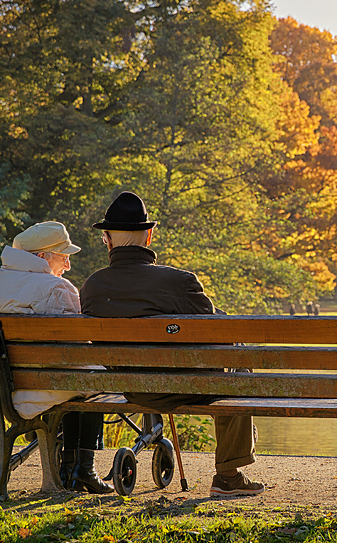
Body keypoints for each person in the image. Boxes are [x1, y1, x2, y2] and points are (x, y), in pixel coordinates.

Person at [80, 191, 263, 498]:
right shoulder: (180, 282)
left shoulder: (92, 287)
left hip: (132, 388)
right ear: (149, 237)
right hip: (184, 386)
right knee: (237, 360)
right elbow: (221, 335)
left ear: (107, 241)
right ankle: (228, 476)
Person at [0, 221, 112, 494]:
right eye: (64, 257)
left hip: (3, 387)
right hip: (43, 387)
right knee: (96, 376)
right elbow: (77, 351)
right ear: (41, 257)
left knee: (79, 378)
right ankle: (82, 469)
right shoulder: (56, 287)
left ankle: (68, 470)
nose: (68, 266)